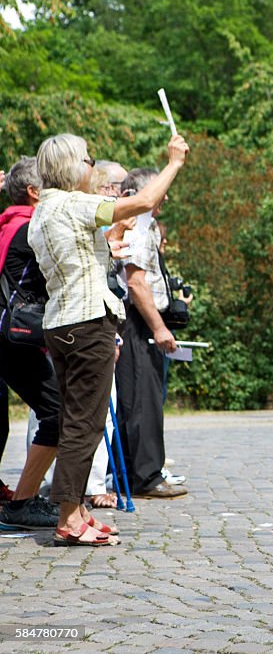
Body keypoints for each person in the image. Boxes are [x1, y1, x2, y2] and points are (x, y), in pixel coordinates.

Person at [28, 132, 189, 546]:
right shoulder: (75, 202)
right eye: (87, 160)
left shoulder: (43, 210)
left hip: (60, 322)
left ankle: (77, 507)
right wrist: (172, 163)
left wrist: (110, 240)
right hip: (87, 323)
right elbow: (142, 202)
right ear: (70, 167)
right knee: (86, 422)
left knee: (74, 417)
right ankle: (68, 515)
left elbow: (78, 253)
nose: (91, 167)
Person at [114, 168, 188, 499]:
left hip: (141, 318)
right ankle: (144, 476)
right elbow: (136, 282)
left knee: (146, 396)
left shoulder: (146, 226)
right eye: (160, 190)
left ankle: (143, 471)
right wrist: (158, 326)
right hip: (137, 321)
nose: (166, 196)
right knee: (142, 398)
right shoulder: (140, 227)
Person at [0, 157, 63, 530]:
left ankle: (23, 499)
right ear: (34, 192)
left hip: (7, 335)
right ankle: (23, 503)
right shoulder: (30, 229)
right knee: (57, 411)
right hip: (16, 337)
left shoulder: (9, 223)